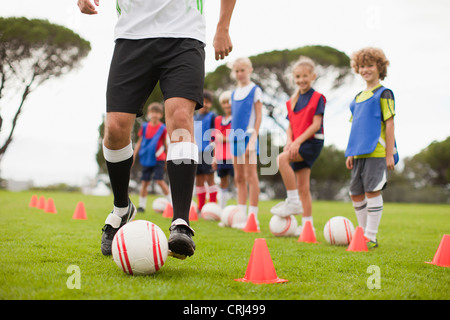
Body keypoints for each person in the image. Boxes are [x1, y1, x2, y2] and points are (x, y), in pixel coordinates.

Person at [78, 0, 236, 259]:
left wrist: (223, 26)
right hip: (132, 35)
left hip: (184, 33)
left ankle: (181, 222)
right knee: (115, 128)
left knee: (180, 116)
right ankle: (121, 208)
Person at [345, 47, 397, 249]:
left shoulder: (384, 94)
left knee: (372, 191)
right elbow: (355, 126)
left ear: (380, 67)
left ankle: (371, 236)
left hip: (377, 152)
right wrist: (350, 152)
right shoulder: (357, 98)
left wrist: (389, 153)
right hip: (357, 153)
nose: (365, 69)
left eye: (370, 65)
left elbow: (390, 124)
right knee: (355, 193)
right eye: (362, 66)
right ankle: (363, 234)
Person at [270, 57, 326, 233]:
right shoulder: (291, 101)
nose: (301, 80)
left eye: (305, 76)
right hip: (296, 143)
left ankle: (293, 202)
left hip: (311, 143)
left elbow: (316, 125)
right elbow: (290, 126)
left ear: (313, 76)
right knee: (303, 186)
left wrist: (297, 142)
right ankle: (307, 226)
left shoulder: (318, 98)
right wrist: (289, 142)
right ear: (294, 78)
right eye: (298, 77)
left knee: (281, 159)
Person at [229, 57, 262, 227]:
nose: (240, 74)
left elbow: (258, 116)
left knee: (251, 176)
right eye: (237, 71)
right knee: (239, 177)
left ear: (249, 70)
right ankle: (241, 216)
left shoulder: (255, 90)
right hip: (234, 138)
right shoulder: (233, 94)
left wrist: (253, 140)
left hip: (249, 137)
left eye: (242, 70)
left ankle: (253, 217)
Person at [133, 102, 170, 213]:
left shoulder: (163, 128)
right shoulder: (144, 127)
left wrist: (167, 158)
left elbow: (165, 143)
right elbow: (139, 142)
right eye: (152, 112)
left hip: (159, 157)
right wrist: (134, 154)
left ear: (161, 115)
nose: (154, 115)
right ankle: (141, 206)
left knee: (159, 181)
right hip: (146, 158)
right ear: (148, 114)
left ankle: (171, 204)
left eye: (157, 113)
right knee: (145, 182)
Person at [194, 90, 219, 212]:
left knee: (210, 178)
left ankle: (213, 205)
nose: (205, 104)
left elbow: (215, 133)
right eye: (203, 101)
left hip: (208, 151)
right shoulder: (194, 117)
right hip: (196, 152)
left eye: (208, 102)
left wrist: (214, 149)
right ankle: (201, 206)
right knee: (199, 179)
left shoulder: (212, 116)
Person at [211, 90, 234, 209]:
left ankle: (241, 208)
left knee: (238, 181)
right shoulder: (218, 120)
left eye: (229, 102)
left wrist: (226, 139)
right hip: (221, 157)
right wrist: (214, 158)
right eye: (224, 103)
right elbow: (216, 140)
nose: (227, 105)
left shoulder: (236, 119)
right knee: (223, 182)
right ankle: (221, 208)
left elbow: (239, 136)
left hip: (233, 156)